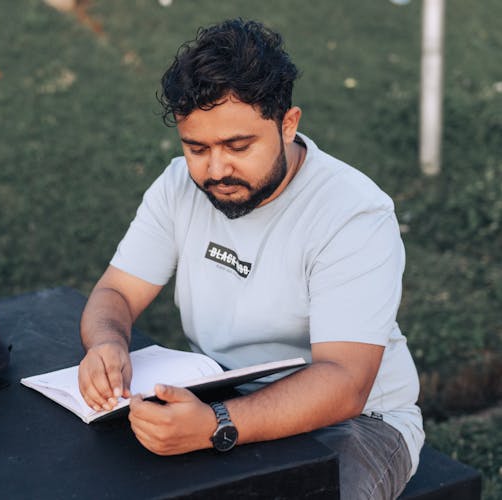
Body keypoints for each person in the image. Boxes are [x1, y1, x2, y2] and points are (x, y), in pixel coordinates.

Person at [77, 18, 424, 499]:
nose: (216, 169)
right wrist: (107, 344)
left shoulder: (352, 213)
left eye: (238, 146)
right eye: (197, 148)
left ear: (288, 123)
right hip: (220, 394)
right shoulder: (179, 185)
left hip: (356, 423)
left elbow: (346, 381)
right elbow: (115, 292)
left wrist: (215, 424)